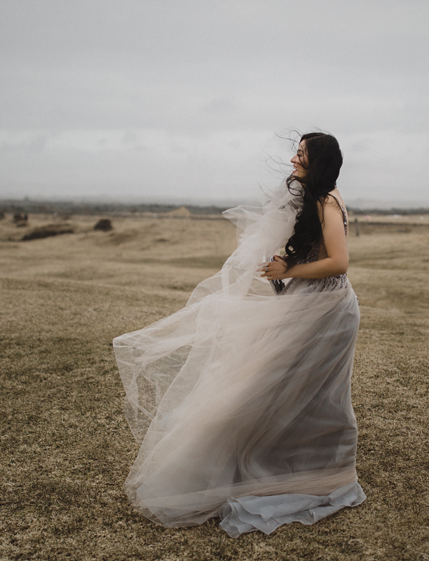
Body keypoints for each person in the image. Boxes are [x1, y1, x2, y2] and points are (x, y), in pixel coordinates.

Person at [113, 132, 365, 537]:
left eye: (300, 154)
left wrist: (291, 270)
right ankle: (279, 461)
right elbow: (320, 253)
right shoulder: (316, 199)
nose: (292, 160)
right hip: (309, 303)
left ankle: (315, 471)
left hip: (328, 309)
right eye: (295, 151)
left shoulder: (326, 201)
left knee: (309, 392)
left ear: (317, 162)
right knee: (281, 386)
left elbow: (340, 262)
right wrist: (293, 260)